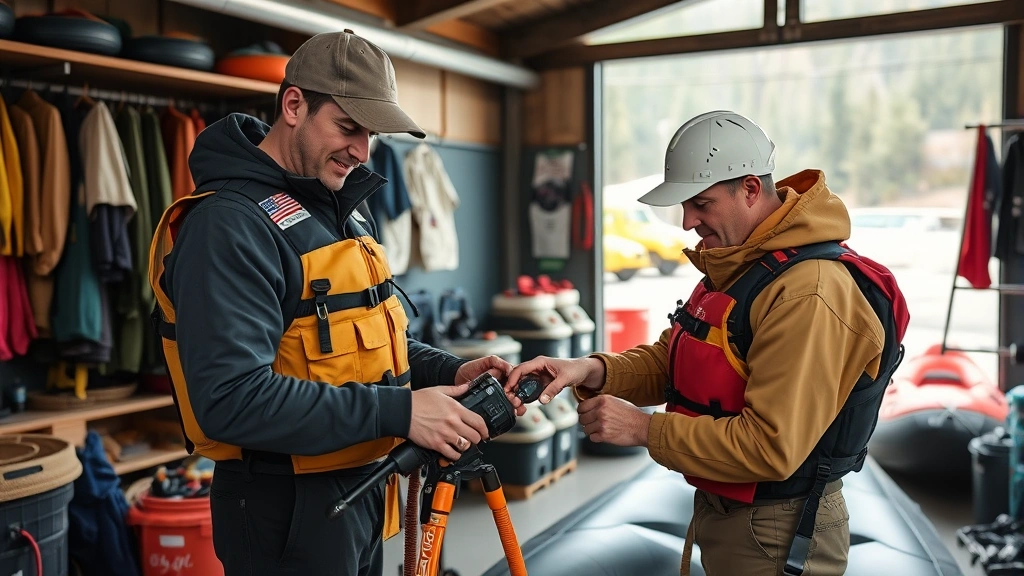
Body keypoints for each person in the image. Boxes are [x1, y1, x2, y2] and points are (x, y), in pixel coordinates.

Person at [148, 30, 518, 576]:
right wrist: (402, 412)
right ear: (293, 105)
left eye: (370, 134)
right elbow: (230, 399)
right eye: (347, 127)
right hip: (285, 509)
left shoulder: (338, 207)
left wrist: (450, 371)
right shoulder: (228, 225)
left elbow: (361, 341)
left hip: (360, 491)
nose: (361, 151)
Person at [507, 111, 909, 576]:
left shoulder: (808, 292)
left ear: (750, 189)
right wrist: (589, 370)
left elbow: (769, 447)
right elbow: (674, 359)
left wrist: (642, 429)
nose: (687, 222)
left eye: (701, 203)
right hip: (728, 512)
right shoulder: (743, 262)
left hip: (779, 530)